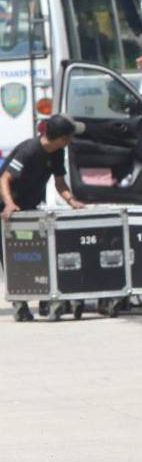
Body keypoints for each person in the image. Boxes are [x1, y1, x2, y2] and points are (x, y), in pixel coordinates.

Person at [1, 115, 88, 321]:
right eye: (70, 136)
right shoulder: (29, 151)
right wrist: (9, 204)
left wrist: (71, 200)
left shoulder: (57, 152)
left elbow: (60, 182)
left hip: (29, 206)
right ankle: (20, 305)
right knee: (13, 256)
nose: (72, 140)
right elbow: (4, 178)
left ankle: (44, 299)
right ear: (60, 137)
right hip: (8, 206)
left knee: (40, 251)